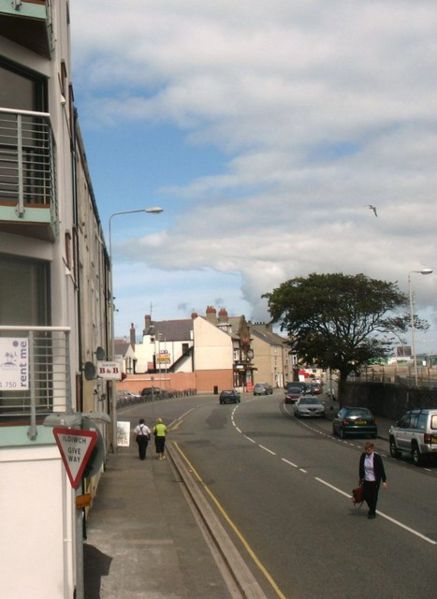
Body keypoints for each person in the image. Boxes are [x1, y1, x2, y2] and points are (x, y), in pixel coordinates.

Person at [359, 441, 387, 519]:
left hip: (375, 481)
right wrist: (361, 478)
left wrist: (384, 481)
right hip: (366, 480)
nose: (368, 451)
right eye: (366, 449)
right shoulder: (363, 456)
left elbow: (381, 469)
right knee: (366, 495)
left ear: (372, 449)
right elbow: (361, 468)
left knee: (374, 497)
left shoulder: (377, 457)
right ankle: (372, 508)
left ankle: (372, 512)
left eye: (369, 449)